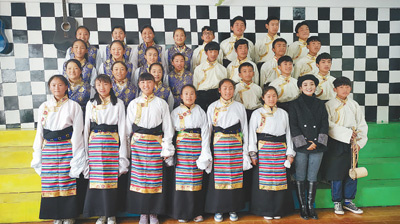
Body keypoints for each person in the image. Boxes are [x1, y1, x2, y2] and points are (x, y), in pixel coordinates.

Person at [31, 75, 85, 224]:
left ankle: (69, 215)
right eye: (53, 85)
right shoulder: (44, 106)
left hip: (66, 146)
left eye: (60, 85)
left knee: (67, 180)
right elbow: (40, 131)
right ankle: (56, 215)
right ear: (50, 87)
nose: (57, 88)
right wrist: (38, 152)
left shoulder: (74, 106)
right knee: (52, 181)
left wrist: (77, 153)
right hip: (48, 147)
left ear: (66, 87)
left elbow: (78, 131)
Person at [125, 73, 175, 224]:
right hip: (138, 145)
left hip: (155, 143)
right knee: (139, 180)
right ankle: (142, 213)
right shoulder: (133, 103)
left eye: (149, 82)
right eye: (143, 82)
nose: (146, 85)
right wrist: (127, 149)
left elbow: (167, 127)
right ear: (139, 85)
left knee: (154, 179)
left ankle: (154, 213)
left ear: (154, 84)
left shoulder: (162, 103)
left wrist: (166, 147)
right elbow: (127, 128)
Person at [205, 79, 252, 222]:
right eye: (225, 88)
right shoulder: (212, 107)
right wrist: (206, 150)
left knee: (235, 177)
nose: (228, 91)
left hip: (236, 144)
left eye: (230, 88)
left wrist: (246, 150)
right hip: (219, 145)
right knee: (219, 179)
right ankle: (218, 209)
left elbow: (245, 128)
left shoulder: (239, 107)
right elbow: (208, 130)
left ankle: (233, 208)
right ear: (219, 90)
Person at [82, 74, 128, 224]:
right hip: (95, 143)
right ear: (95, 86)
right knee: (97, 181)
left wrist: (123, 152)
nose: (102, 87)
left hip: (112, 143)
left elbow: (122, 128)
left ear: (111, 85)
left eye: (105, 84)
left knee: (111, 180)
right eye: (99, 84)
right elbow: (86, 127)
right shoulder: (91, 103)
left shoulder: (119, 103)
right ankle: (101, 214)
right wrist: (86, 152)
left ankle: (111, 214)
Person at [323, 77, 368, 215]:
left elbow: (361, 124)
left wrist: (359, 143)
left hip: (352, 142)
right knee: (336, 172)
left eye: (347, 87)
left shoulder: (354, 104)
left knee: (352, 171)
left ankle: (348, 201)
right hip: (337, 141)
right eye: (341, 87)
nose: (345, 89)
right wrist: (347, 134)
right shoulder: (329, 105)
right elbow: (328, 125)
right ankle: (337, 202)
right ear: (335, 89)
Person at [249, 86, 295, 220]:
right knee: (265, 180)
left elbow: (289, 134)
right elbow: (252, 134)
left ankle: (279, 209)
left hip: (281, 149)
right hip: (264, 149)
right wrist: (253, 153)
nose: (271, 99)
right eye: (268, 96)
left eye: (274, 96)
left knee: (280, 180)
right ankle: (265, 210)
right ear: (263, 97)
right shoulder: (257, 113)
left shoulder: (283, 113)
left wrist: (290, 153)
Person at [169, 84, 212, 223]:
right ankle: (182, 212)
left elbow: (206, 133)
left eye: (192, 93)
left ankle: (197, 212)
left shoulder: (200, 111)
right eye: (186, 94)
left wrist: (205, 153)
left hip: (197, 148)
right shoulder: (175, 112)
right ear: (181, 96)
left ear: (196, 96)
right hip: (182, 150)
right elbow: (170, 133)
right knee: (182, 183)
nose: (189, 96)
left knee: (196, 182)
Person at [288, 74, 329, 220]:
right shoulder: (293, 105)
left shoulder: (320, 104)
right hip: (301, 146)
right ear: (300, 87)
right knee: (300, 176)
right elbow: (293, 126)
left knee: (312, 176)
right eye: (305, 85)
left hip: (317, 146)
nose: (309, 87)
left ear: (315, 86)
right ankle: (303, 207)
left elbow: (325, 124)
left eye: (311, 84)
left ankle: (311, 206)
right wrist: (305, 143)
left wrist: (317, 142)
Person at [193, 41, 227, 112]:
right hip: (202, 95)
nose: (213, 54)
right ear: (206, 53)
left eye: (215, 52)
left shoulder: (223, 69)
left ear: (218, 53)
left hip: (216, 95)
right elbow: (195, 85)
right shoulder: (199, 68)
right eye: (210, 52)